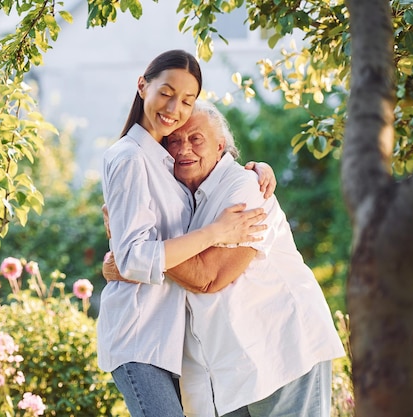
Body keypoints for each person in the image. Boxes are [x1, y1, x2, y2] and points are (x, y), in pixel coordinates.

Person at [105, 99, 345, 417]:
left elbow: (208, 277)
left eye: (195, 139)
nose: (183, 149)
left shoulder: (245, 187)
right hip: (232, 371)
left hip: (282, 350)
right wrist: (134, 253)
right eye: (174, 141)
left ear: (221, 146)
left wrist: (136, 252)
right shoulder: (180, 202)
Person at [98, 49, 276, 417]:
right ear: (142, 85)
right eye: (166, 92)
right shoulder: (131, 157)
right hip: (138, 338)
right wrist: (216, 232)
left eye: (187, 100)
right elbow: (133, 258)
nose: (174, 107)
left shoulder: (164, 162)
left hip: (167, 342)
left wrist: (254, 169)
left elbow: (202, 188)